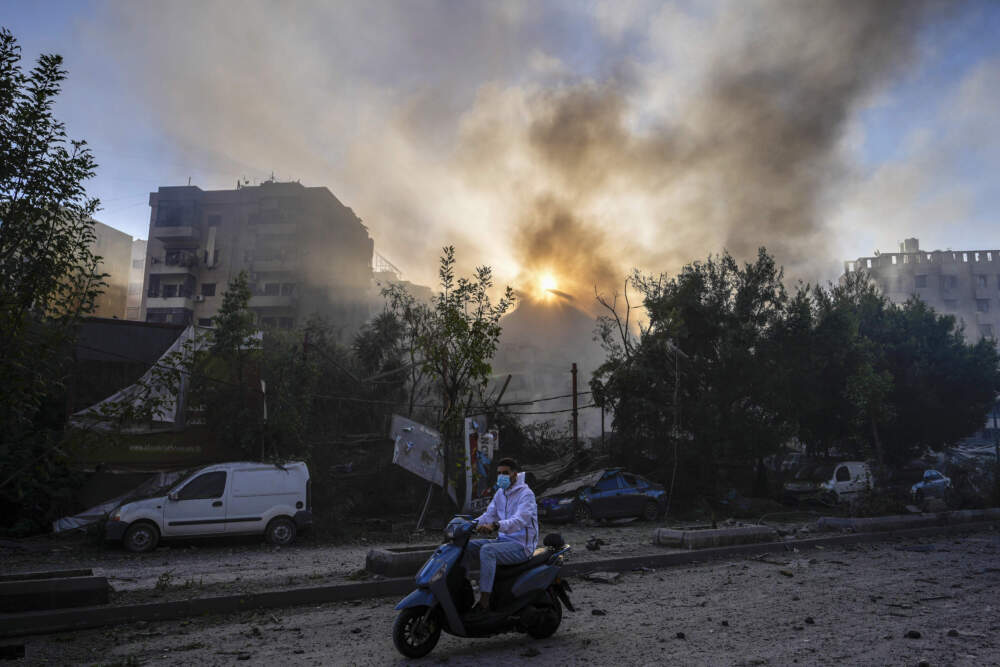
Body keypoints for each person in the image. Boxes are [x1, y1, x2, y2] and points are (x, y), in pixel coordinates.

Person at [464, 457, 538, 615]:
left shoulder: (526, 494)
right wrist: (467, 525)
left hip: (521, 547)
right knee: (466, 547)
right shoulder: (500, 493)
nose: (501, 477)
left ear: (515, 474)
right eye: (499, 473)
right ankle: (463, 590)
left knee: (487, 550)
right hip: (503, 542)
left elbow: (519, 520)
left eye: (505, 473)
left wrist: (496, 526)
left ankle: (484, 602)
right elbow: (488, 515)